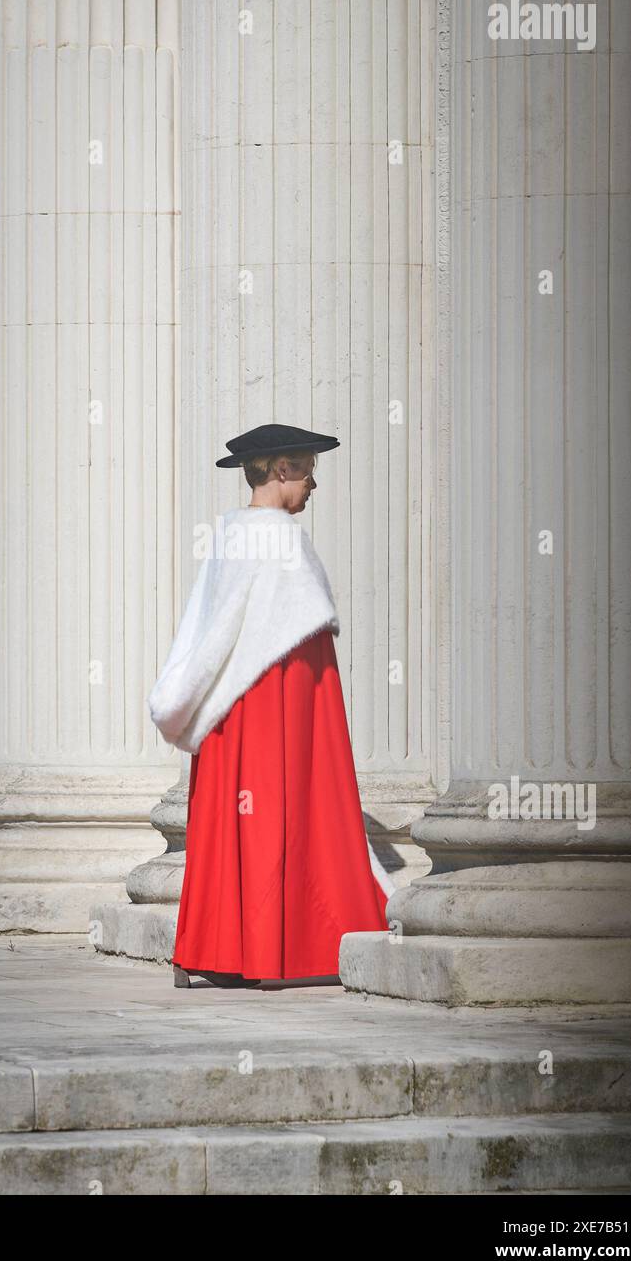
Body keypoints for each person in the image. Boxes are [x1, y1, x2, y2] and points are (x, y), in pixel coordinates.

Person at [148, 423, 391, 989]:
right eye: (307, 470)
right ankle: (277, 951)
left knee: (229, 824)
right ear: (281, 470)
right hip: (274, 705)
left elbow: (206, 636)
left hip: (226, 714)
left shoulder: (228, 538)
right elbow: (299, 646)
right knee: (287, 809)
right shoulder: (280, 540)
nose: (313, 484)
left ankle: (212, 950)